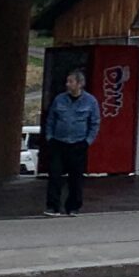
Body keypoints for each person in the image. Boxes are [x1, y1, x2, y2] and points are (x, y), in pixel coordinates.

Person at [42, 66, 101, 216]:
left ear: (79, 84)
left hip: (78, 143)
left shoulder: (90, 101)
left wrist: (87, 141)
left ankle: (73, 206)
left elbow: (95, 123)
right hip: (59, 142)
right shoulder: (59, 99)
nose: (67, 84)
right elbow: (51, 119)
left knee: (76, 178)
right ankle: (53, 206)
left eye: (71, 81)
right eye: (67, 81)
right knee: (55, 176)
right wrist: (50, 137)